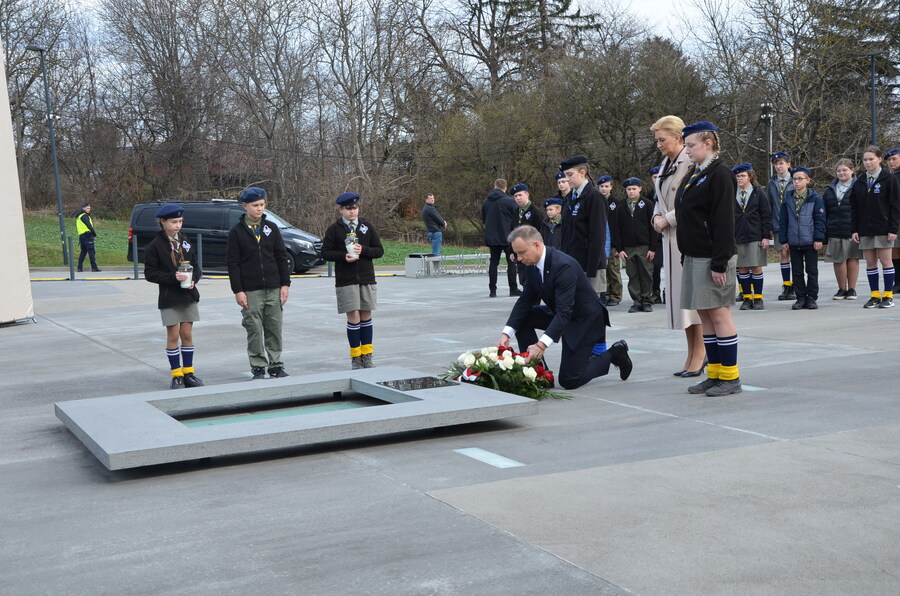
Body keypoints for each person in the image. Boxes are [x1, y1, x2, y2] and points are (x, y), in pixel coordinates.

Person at [499, 225, 632, 390]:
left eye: (522, 252)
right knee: (523, 318)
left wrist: (541, 345)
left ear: (536, 245)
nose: (519, 258)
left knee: (569, 379)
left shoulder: (563, 266)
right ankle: (539, 373)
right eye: (516, 253)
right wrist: (507, 333)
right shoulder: (532, 265)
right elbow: (525, 300)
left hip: (584, 321)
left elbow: (564, 311)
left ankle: (615, 353)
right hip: (562, 314)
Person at [675, 121, 742, 396]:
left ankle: (730, 376)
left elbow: (724, 222)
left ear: (708, 143)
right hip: (695, 255)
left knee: (719, 314)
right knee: (705, 315)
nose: (687, 150)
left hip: (713, 257)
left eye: (691, 145)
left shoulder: (720, 174)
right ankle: (714, 373)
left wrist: (719, 263)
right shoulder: (696, 172)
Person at [650, 115, 705, 378]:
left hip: (686, 236)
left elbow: (690, 201)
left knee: (693, 301)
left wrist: (668, 219)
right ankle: (691, 352)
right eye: (657, 140)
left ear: (677, 138)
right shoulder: (666, 164)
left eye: (662, 139)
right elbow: (659, 199)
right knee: (682, 302)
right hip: (670, 238)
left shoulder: (688, 161)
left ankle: (700, 352)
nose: (659, 144)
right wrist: (656, 217)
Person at [226, 187, 292, 380]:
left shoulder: (271, 228)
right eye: (255, 205)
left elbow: (281, 257)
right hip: (251, 290)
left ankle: (276, 365)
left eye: (262, 204)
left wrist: (285, 284)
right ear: (245, 206)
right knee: (254, 328)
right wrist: (238, 290)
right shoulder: (236, 232)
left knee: (274, 327)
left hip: (273, 287)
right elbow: (233, 263)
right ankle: (258, 366)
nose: (260, 208)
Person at [322, 192, 385, 369]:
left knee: (366, 315)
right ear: (341, 209)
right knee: (353, 316)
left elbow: (379, 250)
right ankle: (356, 356)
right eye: (348, 208)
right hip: (346, 279)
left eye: (355, 208)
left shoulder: (366, 226)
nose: (352, 212)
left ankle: (367, 355)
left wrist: (363, 249)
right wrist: (343, 256)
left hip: (366, 278)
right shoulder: (334, 229)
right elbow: (325, 253)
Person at [144, 205, 204, 389]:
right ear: (163, 222)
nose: (178, 225)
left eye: (180, 221)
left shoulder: (185, 241)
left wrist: (193, 279)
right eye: (174, 222)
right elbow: (150, 273)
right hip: (170, 297)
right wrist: (172, 277)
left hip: (188, 295)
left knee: (187, 334)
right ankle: (176, 374)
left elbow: (196, 266)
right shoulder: (155, 246)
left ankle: (188, 372)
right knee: (173, 335)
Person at [850, 145, 900, 309]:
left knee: (886, 261)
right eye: (865, 160)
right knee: (870, 263)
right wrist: (854, 229)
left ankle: (888, 296)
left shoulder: (888, 178)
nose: (868, 162)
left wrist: (893, 229)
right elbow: (854, 207)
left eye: (871, 159)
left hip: (883, 228)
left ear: (879, 159)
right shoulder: (859, 181)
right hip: (865, 228)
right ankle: (874, 295)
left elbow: (895, 206)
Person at [559, 155, 607, 297]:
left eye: (570, 174)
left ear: (582, 172)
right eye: (565, 175)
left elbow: (597, 235)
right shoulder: (569, 198)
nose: (567, 179)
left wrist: (591, 269)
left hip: (589, 263)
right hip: (572, 261)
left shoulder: (594, 196)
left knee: (590, 304)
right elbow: (566, 233)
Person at [779, 167, 825, 310]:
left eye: (800, 179)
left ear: (808, 180)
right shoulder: (787, 198)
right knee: (797, 271)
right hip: (794, 241)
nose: (797, 182)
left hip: (810, 240)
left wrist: (818, 238)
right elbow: (783, 221)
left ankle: (811, 298)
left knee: (812, 271)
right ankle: (800, 297)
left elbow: (820, 220)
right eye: (794, 179)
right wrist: (784, 240)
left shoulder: (815, 199)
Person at [613, 177, 660, 313]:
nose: (631, 191)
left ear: (640, 189)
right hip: (628, 247)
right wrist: (620, 249)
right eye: (629, 189)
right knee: (632, 274)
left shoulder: (648, 204)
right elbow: (617, 228)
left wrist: (652, 248)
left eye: (634, 189)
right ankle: (637, 301)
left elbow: (653, 227)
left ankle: (647, 300)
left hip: (644, 246)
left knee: (646, 274)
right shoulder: (621, 206)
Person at [732, 163, 771, 311]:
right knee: (742, 267)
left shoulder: (757, 192)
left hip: (755, 235)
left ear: (750, 176)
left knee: (755, 266)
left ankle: (758, 298)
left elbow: (766, 214)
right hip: (738, 235)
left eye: (742, 176)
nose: (739, 178)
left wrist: (766, 236)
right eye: (737, 176)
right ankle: (747, 298)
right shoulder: (731, 193)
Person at [822, 158, 860, 300]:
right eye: (839, 170)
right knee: (838, 260)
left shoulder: (859, 187)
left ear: (852, 170)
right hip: (834, 228)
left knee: (852, 258)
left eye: (845, 170)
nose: (841, 173)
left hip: (852, 229)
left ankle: (852, 289)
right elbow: (824, 211)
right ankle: (841, 289)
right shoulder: (829, 190)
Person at [482, 178, 520, 297]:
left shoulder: (486, 202)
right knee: (511, 262)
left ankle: (492, 290)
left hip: (492, 236)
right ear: (505, 188)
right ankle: (513, 289)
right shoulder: (509, 201)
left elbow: (484, 218)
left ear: (495, 186)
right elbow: (517, 218)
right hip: (507, 236)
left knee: (494, 262)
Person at [768, 152, 795, 300]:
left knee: (795, 254)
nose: (778, 167)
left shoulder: (795, 179)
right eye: (776, 164)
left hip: (795, 224)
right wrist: (770, 226)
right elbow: (770, 204)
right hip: (779, 224)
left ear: (788, 164)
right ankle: (787, 285)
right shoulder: (772, 182)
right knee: (783, 254)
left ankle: (796, 284)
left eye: (781, 163)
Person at [511, 183, 544, 286]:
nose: (518, 198)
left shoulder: (536, 212)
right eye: (515, 196)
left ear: (527, 194)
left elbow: (540, 233)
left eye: (520, 195)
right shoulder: (516, 212)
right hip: (520, 251)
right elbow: (513, 231)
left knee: (533, 280)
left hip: (531, 251)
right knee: (523, 279)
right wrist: (511, 251)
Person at [597, 175, 623, 306]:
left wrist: (619, 246)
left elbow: (619, 226)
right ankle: (605, 294)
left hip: (613, 244)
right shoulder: (596, 202)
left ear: (611, 187)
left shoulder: (616, 203)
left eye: (606, 186)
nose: (604, 189)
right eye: (601, 186)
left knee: (613, 271)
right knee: (603, 271)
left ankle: (616, 296)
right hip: (601, 242)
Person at [648, 166, 664, 303]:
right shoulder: (649, 197)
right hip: (656, 238)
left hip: (671, 234)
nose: (657, 179)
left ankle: (670, 291)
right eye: (654, 177)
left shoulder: (669, 191)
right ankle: (656, 291)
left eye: (659, 176)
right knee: (656, 266)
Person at [886, 149, 900, 293]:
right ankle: (898, 282)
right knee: (894, 250)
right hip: (893, 218)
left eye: (894, 159)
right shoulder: (889, 177)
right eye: (889, 160)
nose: (891, 162)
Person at [74, 202, 101, 272]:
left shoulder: (79, 216)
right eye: (87, 208)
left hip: (82, 236)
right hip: (87, 235)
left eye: (89, 208)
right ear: (83, 208)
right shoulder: (84, 216)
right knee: (91, 252)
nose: (89, 209)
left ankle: (79, 267)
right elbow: (89, 226)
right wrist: (94, 234)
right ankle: (94, 268)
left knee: (83, 252)